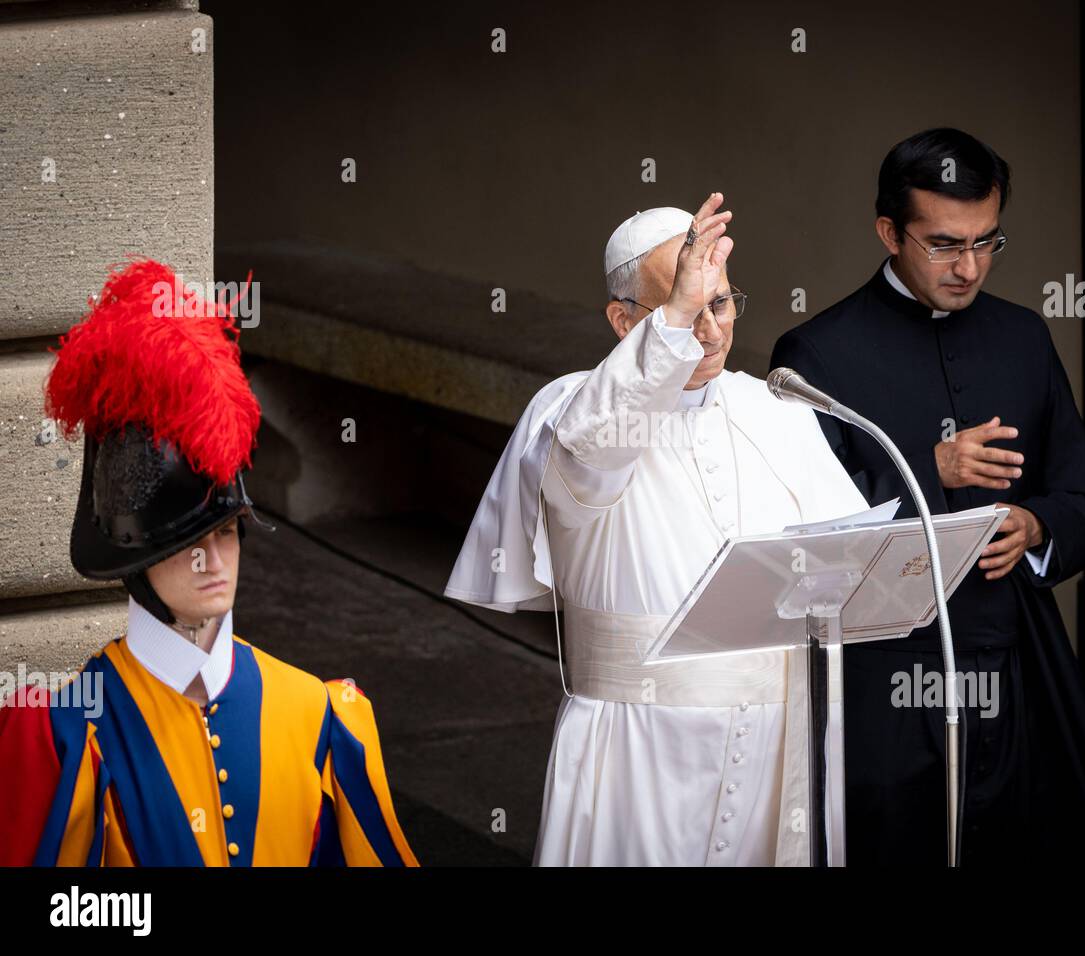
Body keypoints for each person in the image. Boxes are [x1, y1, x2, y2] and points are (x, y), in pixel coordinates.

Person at [446, 195, 867, 865]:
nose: (707, 332)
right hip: (637, 748)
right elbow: (592, 452)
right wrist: (671, 322)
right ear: (623, 321)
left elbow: (846, 557)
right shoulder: (569, 408)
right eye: (682, 309)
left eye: (719, 305)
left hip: (774, 742)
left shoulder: (776, 408)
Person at [771, 128, 1085, 865]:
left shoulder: (1023, 337)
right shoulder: (816, 356)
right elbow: (795, 545)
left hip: (1014, 660)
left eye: (987, 242)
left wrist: (1037, 524)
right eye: (943, 245)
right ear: (889, 232)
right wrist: (928, 469)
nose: (969, 268)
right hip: (880, 682)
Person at [0, 259, 418, 867]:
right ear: (135, 562)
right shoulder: (68, 735)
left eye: (227, 532)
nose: (213, 560)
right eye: (185, 544)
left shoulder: (320, 714)